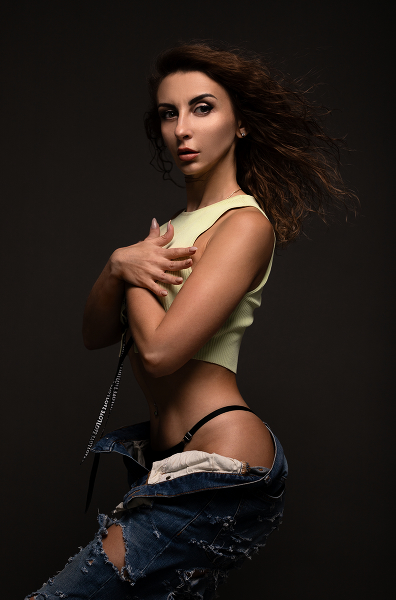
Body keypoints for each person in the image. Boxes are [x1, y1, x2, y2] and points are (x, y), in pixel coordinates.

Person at [26, 42, 355, 600]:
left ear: (240, 122)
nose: (182, 128)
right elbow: (95, 334)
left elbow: (159, 352)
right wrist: (118, 264)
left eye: (202, 108)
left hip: (222, 464)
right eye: (168, 113)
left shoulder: (243, 224)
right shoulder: (175, 228)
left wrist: (132, 268)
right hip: (166, 462)